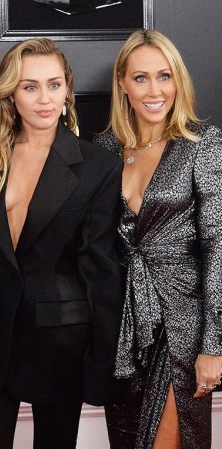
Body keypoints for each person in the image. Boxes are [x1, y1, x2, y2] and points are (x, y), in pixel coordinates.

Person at [0, 38, 124, 449]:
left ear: (67, 89)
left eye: (54, 85)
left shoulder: (97, 166)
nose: (44, 98)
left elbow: (101, 269)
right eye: (30, 87)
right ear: (10, 93)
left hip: (62, 345)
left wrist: (103, 361)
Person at [93, 29, 222, 449]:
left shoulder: (203, 145)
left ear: (178, 81)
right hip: (123, 329)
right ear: (122, 84)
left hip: (181, 326)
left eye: (164, 76)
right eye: (141, 77)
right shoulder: (105, 149)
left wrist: (213, 346)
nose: (155, 90)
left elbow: (218, 247)